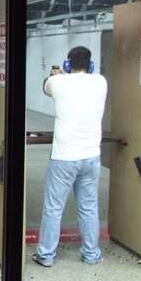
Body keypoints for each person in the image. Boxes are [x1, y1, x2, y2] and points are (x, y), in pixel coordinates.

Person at [33, 46, 108, 267]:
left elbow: (45, 86)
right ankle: (91, 254)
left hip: (64, 156)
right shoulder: (101, 81)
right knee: (89, 206)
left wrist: (56, 75)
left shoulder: (57, 82)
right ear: (90, 65)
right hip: (91, 155)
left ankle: (46, 255)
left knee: (54, 208)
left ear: (67, 64)